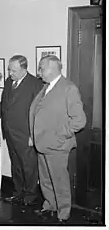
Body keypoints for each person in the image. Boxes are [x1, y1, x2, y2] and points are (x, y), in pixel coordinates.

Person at [29, 55, 86, 223]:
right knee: (45, 178)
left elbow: (79, 121)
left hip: (57, 145)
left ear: (51, 68)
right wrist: (34, 136)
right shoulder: (46, 86)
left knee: (59, 180)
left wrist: (59, 136)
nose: (39, 72)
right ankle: (50, 205)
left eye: (41, 68)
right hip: (42, 142)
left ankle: (63, 212)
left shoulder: (69, 88)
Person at [1, 55, 43, 205]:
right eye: (9, 70)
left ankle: (30, 195)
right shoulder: (8, 82)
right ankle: (18, 192)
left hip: (26, 134)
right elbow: (4, 105)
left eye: (14, 70)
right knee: (16, 165)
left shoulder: (35, 84)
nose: (10, 73)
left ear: (24, 69)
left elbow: (39, 112)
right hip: (10, 132)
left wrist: (33, 134)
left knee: (29, 166)